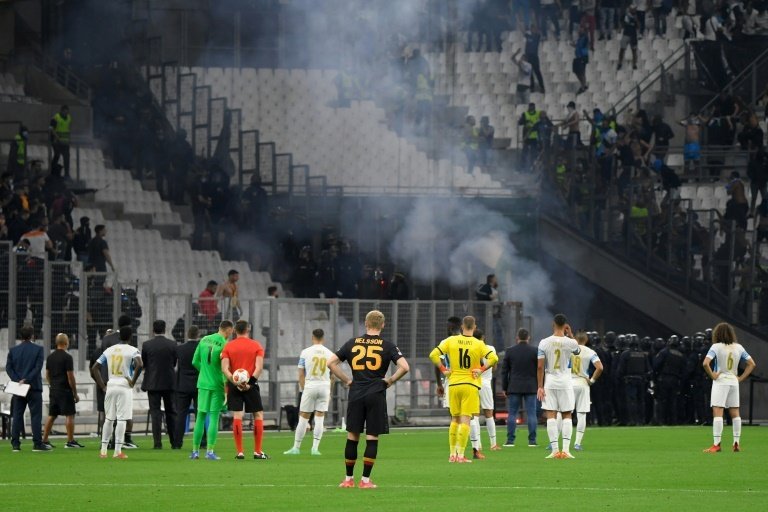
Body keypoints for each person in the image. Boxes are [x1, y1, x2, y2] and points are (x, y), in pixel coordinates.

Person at [328, 310, 409, 489]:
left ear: (366, 324)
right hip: (376, 393)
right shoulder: (387, 345)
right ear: (383, 325)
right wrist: (390, 380)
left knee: (352, 436)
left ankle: (348, 479)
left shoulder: (352, 342)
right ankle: (365, 481)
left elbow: (331, 362)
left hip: (356, 392)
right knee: (372, 436)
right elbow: (404, 366)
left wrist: (347, 380)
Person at [429, 315, 499, 464]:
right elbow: (494, 358)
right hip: (470, 384)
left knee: (454, 419)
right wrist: (481, 369)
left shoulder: (450, 341)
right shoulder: (478, 344)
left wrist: (443, 369)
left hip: (453, 384)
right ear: (474, 327)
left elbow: (433, 355)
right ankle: (461, 455)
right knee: (466, 419)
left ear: (462, 327)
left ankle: (452, 454)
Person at [702, 323, 757, 453]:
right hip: (733, 381)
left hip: (721, 382)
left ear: (717, 334)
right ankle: (736, 443)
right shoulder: (739, 347)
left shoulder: (716, 346)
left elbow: (705, 363)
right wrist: (741, 378)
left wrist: (713, 376)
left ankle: (716, 444)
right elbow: (752, 364)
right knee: (735, 413)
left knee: (718, 412)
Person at [91, 327, 143, 459]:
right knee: (121, 419)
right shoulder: (133, 350)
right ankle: (117, 451)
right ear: (131, 337)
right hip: (124, 386)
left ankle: (103, 451)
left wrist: (103, 386)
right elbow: (140, 364)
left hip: (111, 385)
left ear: (119, 337)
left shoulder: (109, 350)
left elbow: (94, 368)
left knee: (109, 418)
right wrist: (132, 381)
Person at [220, 320, 268, 460]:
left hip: (234, 386)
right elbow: (259, 368)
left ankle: (240, 452)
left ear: (234, 330)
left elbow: (224, 369)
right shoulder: (256, 346)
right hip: (251, 385)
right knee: (258, 415)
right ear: (248, 329)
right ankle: (258, 452)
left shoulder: (228, 346)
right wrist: (249, 384)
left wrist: (235, 382)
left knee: (237, 416)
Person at [284, 328, 335, 455]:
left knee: (303, 418)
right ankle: (315, 448)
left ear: (312, 337)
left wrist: (303, 389)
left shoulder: (305, 352)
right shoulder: (330, 353)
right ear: (323, 338)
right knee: (319, 418)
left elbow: (301, 374)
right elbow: (333, 376)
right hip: (324, 386)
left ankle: (296, 448)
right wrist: (329, 392)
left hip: (310, 385)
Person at [537, 314, 580, 459]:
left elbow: (540, 366)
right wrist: (570, 334)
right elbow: (578, 351)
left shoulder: (544, 342)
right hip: (566, 382)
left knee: (551, 415)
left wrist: (540, 386)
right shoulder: (571, 342)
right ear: (565, 325)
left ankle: (555, 450)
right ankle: (566, 450)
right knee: (567, 414)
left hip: (550, 382)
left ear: (553, 324)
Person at [190, 320, 234, 460]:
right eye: (231, 331)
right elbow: (224, 368)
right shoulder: (225, 344)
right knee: (214, 417)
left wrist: (204, 372)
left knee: (200, 416)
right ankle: (210, 451)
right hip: (217, 385)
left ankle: (195, 452)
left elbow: (194, 361)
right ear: (228, 330)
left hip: (202, 383)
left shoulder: (204, 339)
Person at [6, 325, 49, 452]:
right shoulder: (38, 349)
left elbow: (9, 368)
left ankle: (15, 444)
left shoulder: (13, 350)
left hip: (18, 388)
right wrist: (27, 379)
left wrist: (18, 380)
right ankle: (37, 443)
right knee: (35, 416)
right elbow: (37, 368)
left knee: (17, 415)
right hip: (34, 387)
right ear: (32, 336)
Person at [42, 333, 84, 449]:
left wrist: (52, 385)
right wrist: (75, 393)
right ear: (66, 343)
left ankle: (44, 440)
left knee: (52, 415)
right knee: (70, 415)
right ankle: (70, 441)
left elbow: (47, 375)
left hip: (54, 389)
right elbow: (70, 376)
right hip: (65, 390)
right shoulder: (67, 357)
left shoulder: (50, 357)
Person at [141, 320, 179, 449]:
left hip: (153, 383)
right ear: (165, 329)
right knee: (171, 412)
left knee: (155, 413)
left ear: (153, 330)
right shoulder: (173, 344)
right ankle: (174, 442)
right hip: (169, 383)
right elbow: (174, 363)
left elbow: (144, 364)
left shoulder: (147, 345)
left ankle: (157, 443)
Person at [500, 328, 539, 447]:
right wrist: (540, 385)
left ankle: (510, 440)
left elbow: (504, 371)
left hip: (514, 386)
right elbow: (540, 369)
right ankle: (532, 441)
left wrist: (505, 387)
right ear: (528, 338)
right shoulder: (535, 351)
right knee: (532, 413)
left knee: (512, 413)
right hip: (531, 386)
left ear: (517, 338)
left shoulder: (510, 351)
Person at [570, 332, 603, 450]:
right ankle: (577, 443)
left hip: (568, 383)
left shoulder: (568, 350)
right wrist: (592, 380)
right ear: (586, 339)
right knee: (582, 414)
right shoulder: (590, 352)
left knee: (564, 413)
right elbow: (600, 367)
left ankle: (554, 442)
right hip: (582, 383)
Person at [470, 328, 500, 458]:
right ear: (483, 337)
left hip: (473, 383)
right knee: (489, 414)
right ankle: (493, 443)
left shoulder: (470, 349)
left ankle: (478, 444)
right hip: (486, 384)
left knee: (474, 415)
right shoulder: (490, 349)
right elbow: (495, 367)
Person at [175, 326, 201, 449]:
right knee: (200, 414)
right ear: (198, 334)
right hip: (198, 384)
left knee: (181, 414)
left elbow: (175, 366)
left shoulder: (180, 349)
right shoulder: (201, 348)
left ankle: (177, 442)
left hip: (183, 385)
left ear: (187, 334)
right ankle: (202, 441)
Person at [49, 105, 72, 178]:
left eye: (67, 112)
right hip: (57, 141)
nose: (66, 113)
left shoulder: (69, 118)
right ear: (61, 111)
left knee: (67, 157)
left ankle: (67, 174)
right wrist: (56, 137)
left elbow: (68, 129)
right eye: (65, 111)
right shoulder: (56, 117)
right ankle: (52, 172)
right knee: (57, 155)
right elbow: (51, 129)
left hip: (65, 141)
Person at [618, 4, 640, 71]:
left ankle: (634, 64)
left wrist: (636, 20)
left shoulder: (636, 16)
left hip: (633, 35)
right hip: (626, 34)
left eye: (635, 9)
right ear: (630, 9)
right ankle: (619, 63)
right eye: (633, 9)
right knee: (622, 50)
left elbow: (638, 26)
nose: (634, 10)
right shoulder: (625, 15)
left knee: (634, 50)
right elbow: (621, 21)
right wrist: (620, 27)